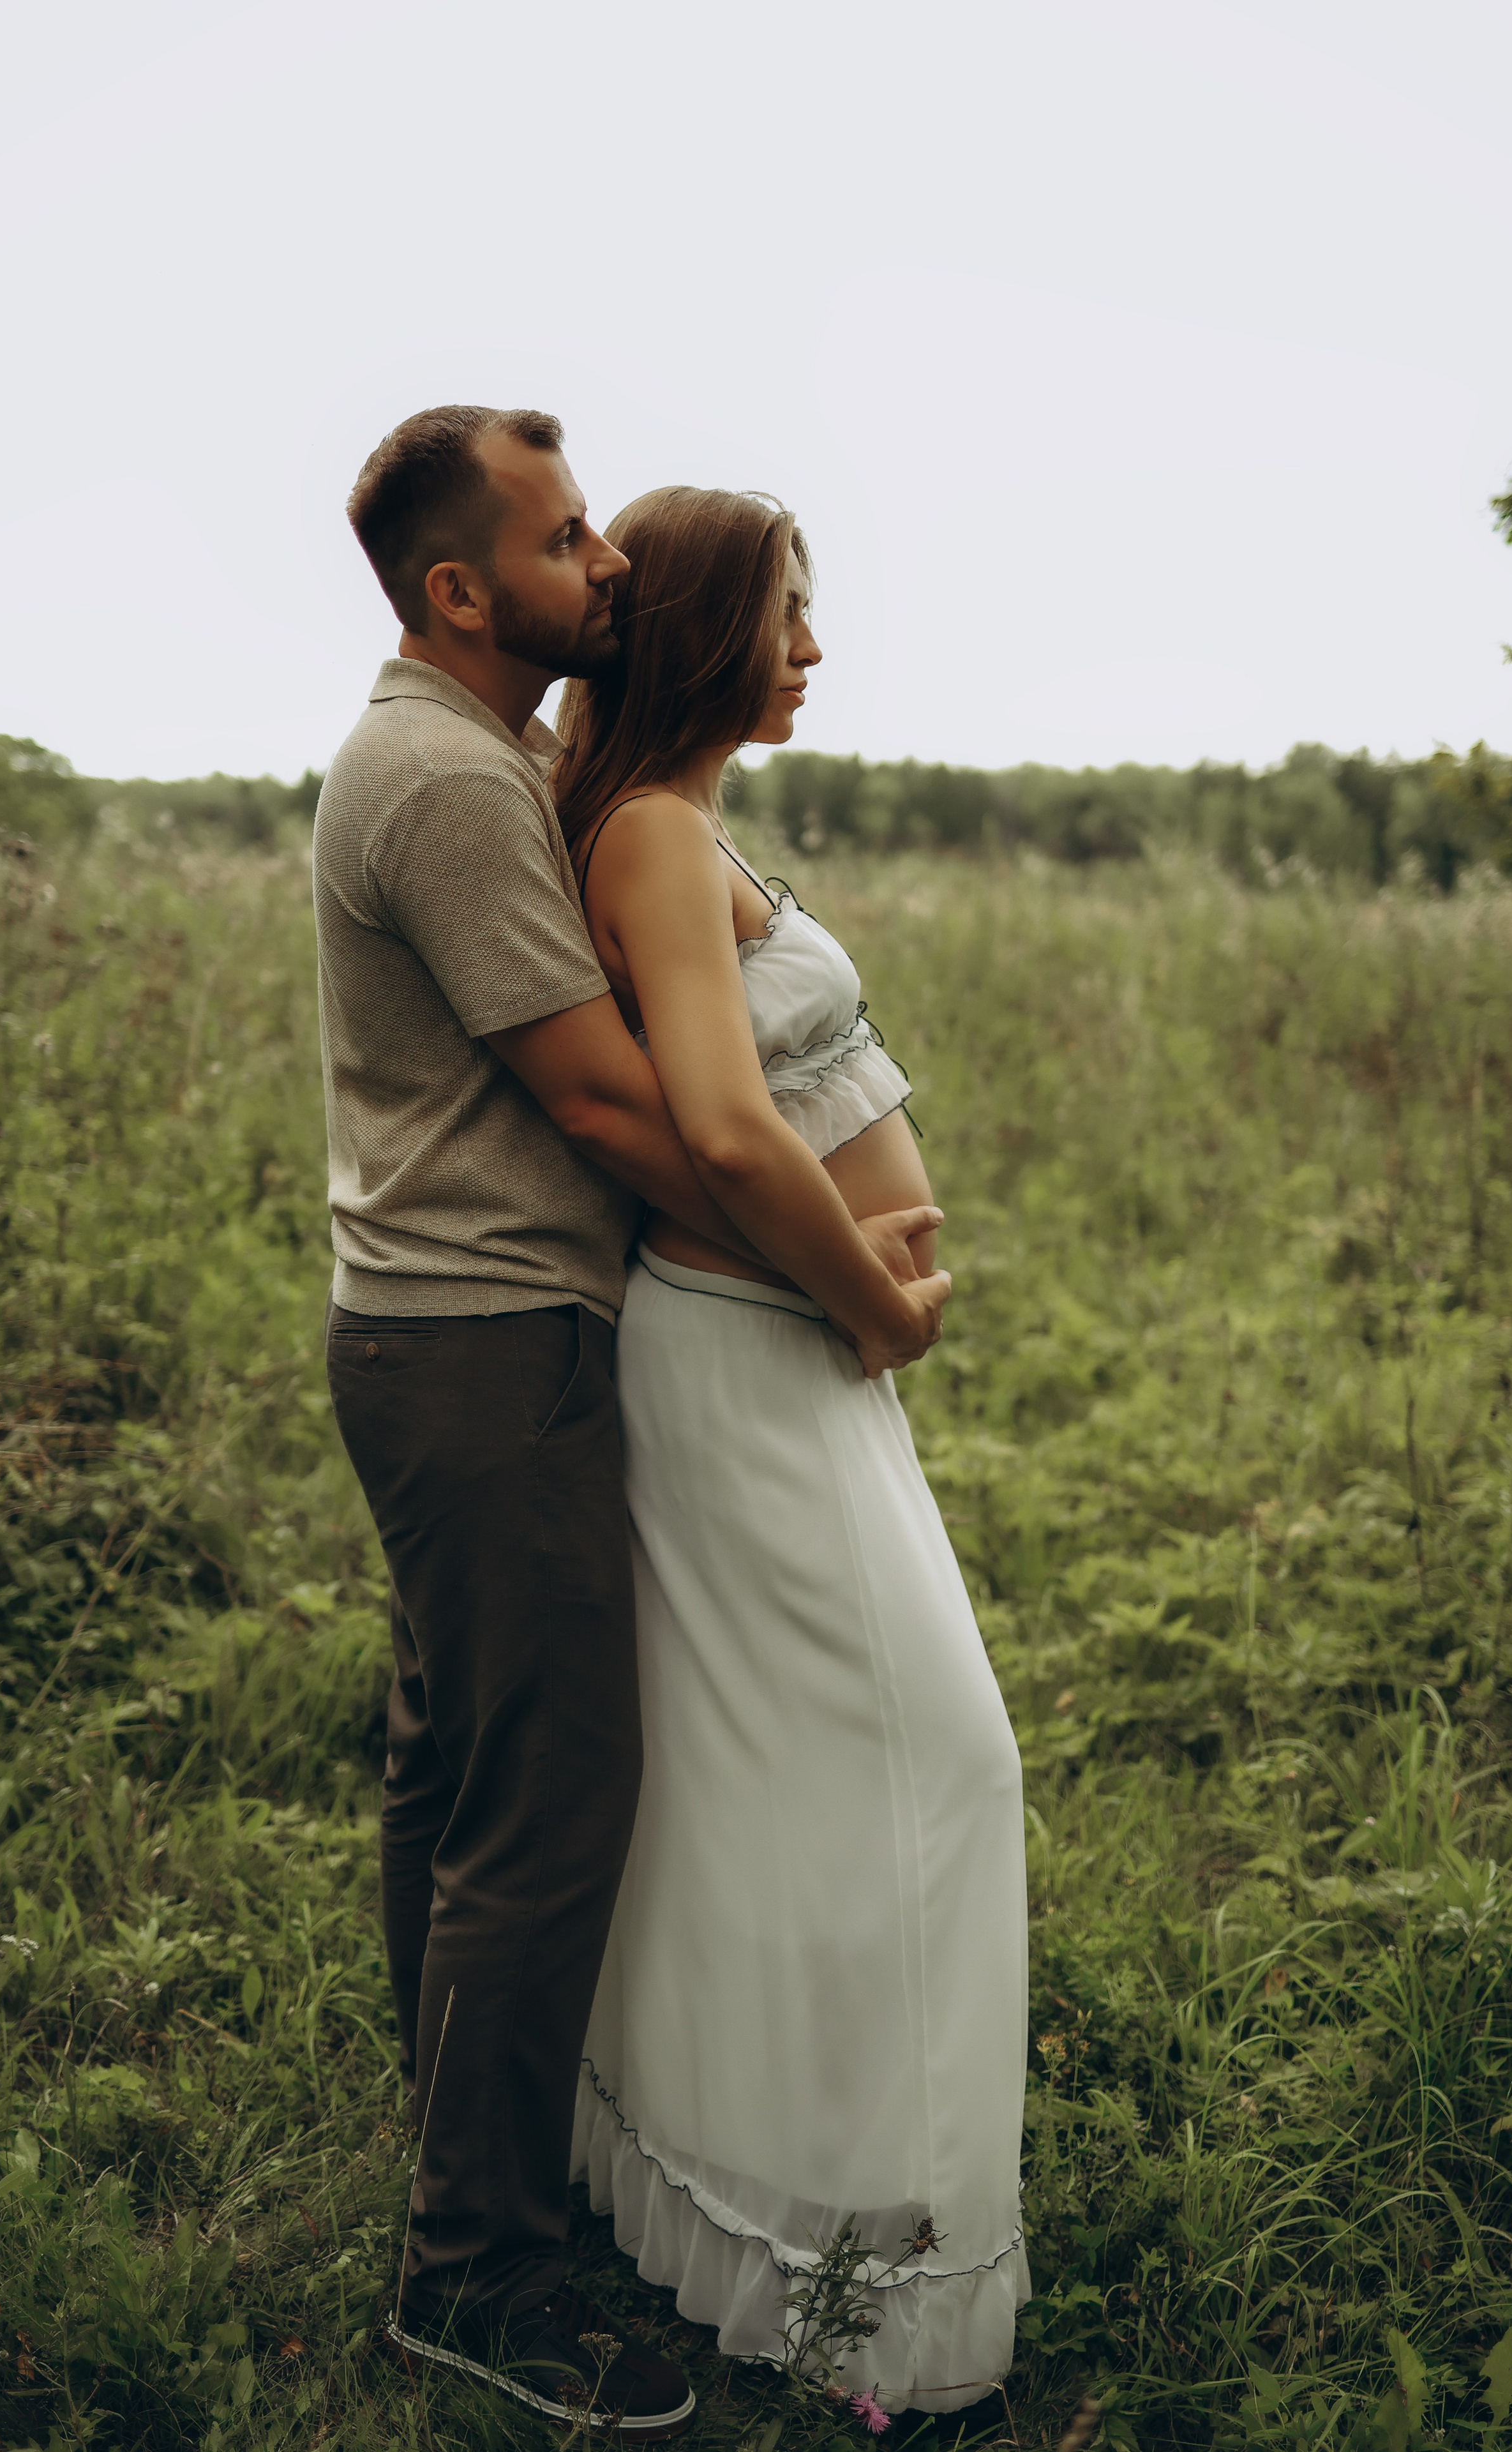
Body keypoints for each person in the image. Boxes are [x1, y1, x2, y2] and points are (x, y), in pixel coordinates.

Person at [313, 407, 948, 2437]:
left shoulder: (486, 757)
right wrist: (837, 1277)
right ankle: (475, 2276)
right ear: (460, 591)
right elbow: (613, 1106)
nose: (602, 566)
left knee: (457, 1768)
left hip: (462, 1331)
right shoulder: (437, 776)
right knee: (547, 1799)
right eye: (567, 541)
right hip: (489, 1341)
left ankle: (472, 2161)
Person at [556, 488, 1031, 2416]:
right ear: (701, 630)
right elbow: (733, 1133)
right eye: (789, 616)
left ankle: (805, 2212)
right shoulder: (659, 837)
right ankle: (859, 2269)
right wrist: (878, 1300)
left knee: (793, 1781)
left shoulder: (691, 818)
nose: (813, 649)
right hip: (762, 1345)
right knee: (945, 1766)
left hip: (787, 1343)